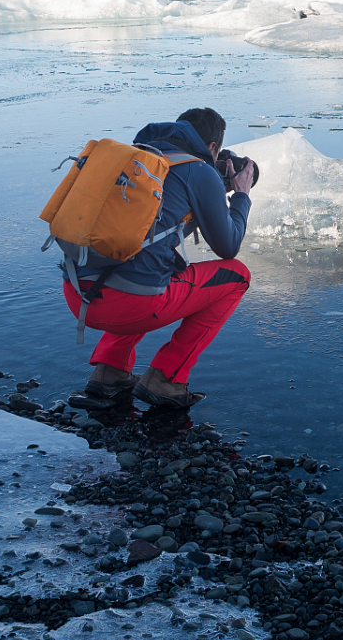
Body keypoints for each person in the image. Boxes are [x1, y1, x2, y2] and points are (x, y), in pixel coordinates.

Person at [61, 107, 258, 412]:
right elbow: (228, 246)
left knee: (145, 261)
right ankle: (166, 378)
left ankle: (109, 370)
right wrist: (241, 194)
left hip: (77, 295)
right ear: (212, 148)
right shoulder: (200, 171)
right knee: (237, 276)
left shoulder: (135, 159)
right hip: (129, 305)